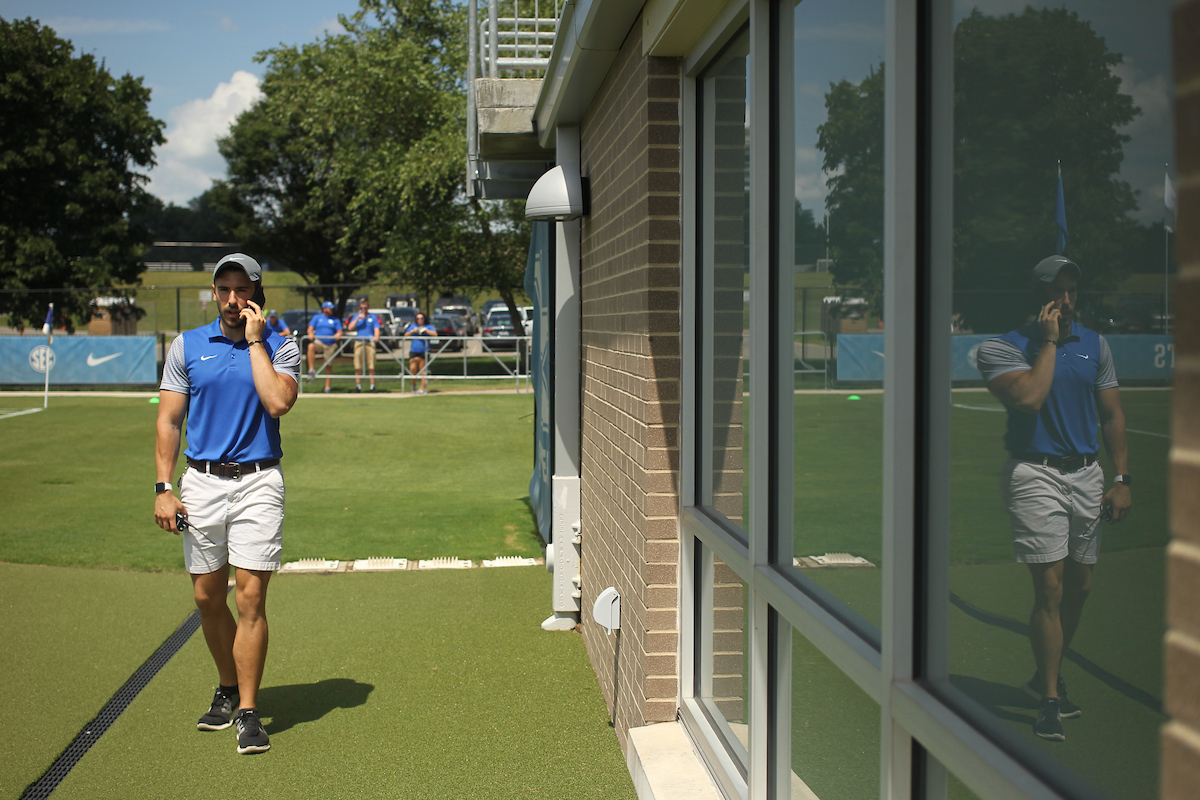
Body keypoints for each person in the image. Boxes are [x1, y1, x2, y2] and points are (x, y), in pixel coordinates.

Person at [976, 255, 1132, 742]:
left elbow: (1111, 415)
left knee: (1080, 587)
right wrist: (1047, 342)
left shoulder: (1096, 345)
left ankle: (1043, 676)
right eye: (1057, 292)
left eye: (1072, 292)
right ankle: (1048, 697)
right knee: (1051, 588)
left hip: (1087, 473)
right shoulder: (1001, 348)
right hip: (1033, 474)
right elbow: (1029, 398)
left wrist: (1122, 477)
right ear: (1038, 295)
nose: (1066, 302)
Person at [153, 253, 300, 755]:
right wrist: (163, 487)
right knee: (206, 599)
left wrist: (257, 341)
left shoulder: (282, 345)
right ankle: (228, 684)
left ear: (259, 294)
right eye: (225, 289)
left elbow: (278, 402)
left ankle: (249, 712)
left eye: (244, 290)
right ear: (214, 293)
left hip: (260, 483)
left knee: (250, 599)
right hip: (200, 483)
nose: (234, 300)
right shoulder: (187, 345)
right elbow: (170, 421)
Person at [306, 301, 343, 393]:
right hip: (319, 342)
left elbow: (340, 331)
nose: (331, 310)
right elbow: (310, 328)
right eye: (329, 308)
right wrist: (310, 333)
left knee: (328, 365)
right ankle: (311, 369)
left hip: (330, 344)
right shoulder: (317, 318)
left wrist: (338, 334)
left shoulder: (335, 320)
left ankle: (327, 387)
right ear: (324, 309)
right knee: (311, 346)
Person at [348, 299, 381, 392]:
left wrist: (376, 336)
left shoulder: (373, 317)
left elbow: (377, 328)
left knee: (371, 365)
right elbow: (350, 327)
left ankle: (372, 386)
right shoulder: (356, 317)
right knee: (358, 364)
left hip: (369, 342)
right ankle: (358, 386)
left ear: (368, 308)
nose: (363, 309)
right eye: (361, 308)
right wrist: (358, 318)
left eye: (365, 308)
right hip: (359, 341)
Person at [403, 312, 436, 394]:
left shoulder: (428, 326)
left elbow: (435, 334)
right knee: (413, 369)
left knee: (423, 370)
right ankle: (413, 384)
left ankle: (423, 388)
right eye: (418, 318)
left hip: (424, 351)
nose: (420, 320)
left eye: (421, 318)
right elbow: (405, 335)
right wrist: (413, 332)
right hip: (414, 350)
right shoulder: (413, 326)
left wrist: (426, 331)